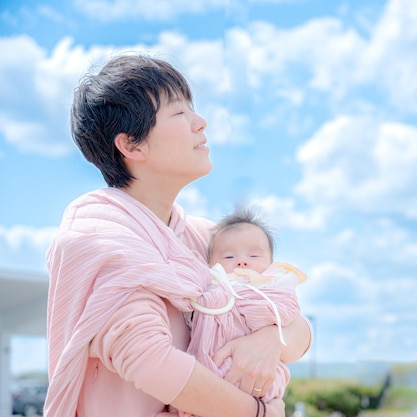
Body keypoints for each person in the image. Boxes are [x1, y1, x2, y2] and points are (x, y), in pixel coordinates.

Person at [45, 54, 312, 417]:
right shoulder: (99, 238)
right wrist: (260, 412)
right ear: (132, 146)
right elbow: (147, 359)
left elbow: (296, 322)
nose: (200, 123)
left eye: (193, 108)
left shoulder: (206, 239)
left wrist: (268, 339)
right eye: (178, 113)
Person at [176, 207, 307, 417]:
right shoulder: (210, 287)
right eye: (228, 257)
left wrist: (269, 330)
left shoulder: (272, 288)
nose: (242, 261)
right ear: (210, 265)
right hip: (209, 377)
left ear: (271, 264)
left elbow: (291, 315)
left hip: (260, 379)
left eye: (254, 255)